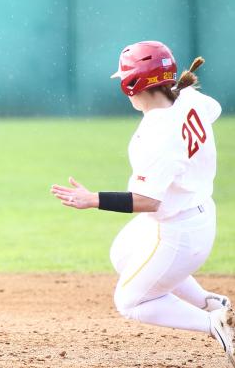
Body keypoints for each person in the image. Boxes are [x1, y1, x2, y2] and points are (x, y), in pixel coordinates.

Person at [50, 41, 234, 366]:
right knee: (123, 254)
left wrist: (92, 199)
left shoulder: (156, 134)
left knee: (129, 301)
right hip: (193, 214)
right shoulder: (188, 97)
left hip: (180, 232)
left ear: (131, 83)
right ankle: (212, 304)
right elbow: (213, 109)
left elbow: (148, 201)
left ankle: (213, 325)